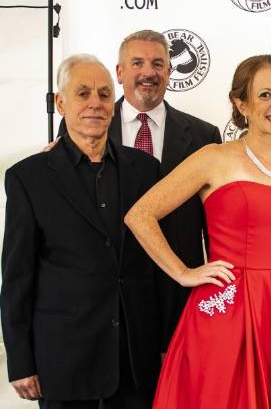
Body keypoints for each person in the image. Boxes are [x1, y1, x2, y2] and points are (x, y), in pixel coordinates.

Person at [124, 55, 271, 408]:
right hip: (226, 313)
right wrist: (184, 273)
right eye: (264, 95)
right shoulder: (214, 157)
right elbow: (140, 215)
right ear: (241, 104)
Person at [1, 54, 162, 408]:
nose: (95, 104)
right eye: (83, 93)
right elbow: (16, 279)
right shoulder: (28, 178)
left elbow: (155, 268)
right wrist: (20, 362)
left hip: (135, 365)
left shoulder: (146, 170)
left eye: (105, 95)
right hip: (63, 364)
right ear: (60, 102)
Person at [58, 30, 222, 350]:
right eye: (137, 63)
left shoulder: (204, 136)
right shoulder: (84, 126)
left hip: (179, 295)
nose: (148, 72)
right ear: (119, 72)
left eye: (158, 63)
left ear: (169, 72)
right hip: (106, 300)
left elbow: (214, 224)